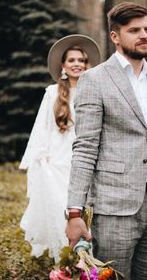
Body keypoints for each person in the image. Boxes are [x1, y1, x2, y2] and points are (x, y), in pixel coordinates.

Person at [65, 2, 147, 279]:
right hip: (115, 208)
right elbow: (85, 148)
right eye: (134, 30)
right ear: (115, 36)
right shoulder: (94, 80)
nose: (144, 35)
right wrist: (74, 213)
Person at [19, 34, 101, 262]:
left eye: (82, 60)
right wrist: (40, 155)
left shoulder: (94, 90)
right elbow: (42, 126)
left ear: (87, 65)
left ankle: (86, 251)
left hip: (84, 157)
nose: (77, 64)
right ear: (63, 65)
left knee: (85, 206)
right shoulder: (52, 93)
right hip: (58, 158)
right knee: (60, 205)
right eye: (72, 60)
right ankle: (65, 255)